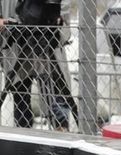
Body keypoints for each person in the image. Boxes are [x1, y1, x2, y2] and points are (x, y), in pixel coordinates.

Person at [0, 0, 77, 129]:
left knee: (56, 96)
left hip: (46, 40)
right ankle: (23, 141)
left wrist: (58, 21)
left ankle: (61, 135)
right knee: (21, 97)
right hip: (16, 40)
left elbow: (62, 8)